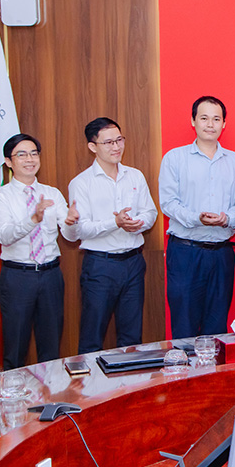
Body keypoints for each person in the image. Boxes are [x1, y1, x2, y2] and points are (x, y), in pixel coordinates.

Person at [159, 96, 235, 339]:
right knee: (184, 324)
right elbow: (168, 203)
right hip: (185, 252)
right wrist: (196, 218)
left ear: (224, 124)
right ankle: (185, 365)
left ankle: (213, 366)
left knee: (217, 325)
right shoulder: (175, 158)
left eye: (216, 119)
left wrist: (226, 218)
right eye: (204, 118)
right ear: (193, 121)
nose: (210, 124)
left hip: (221, 254)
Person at [66, 117, 158, 354]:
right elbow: (81, 229)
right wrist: (115, 223)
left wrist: (137, 224)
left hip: (133, 262)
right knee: (92, 336)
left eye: (119, 140)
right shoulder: (81, 183)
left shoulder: (135, 176)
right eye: (108, 142)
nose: (116, 147)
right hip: (100, 266)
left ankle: (130, 377)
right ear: (92, 146)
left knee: (131, 337)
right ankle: (89, 379)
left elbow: (150, 212)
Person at [0, 134, 77, 369]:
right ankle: (14, 392)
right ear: (8, 162)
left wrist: (72, 223)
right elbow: (4, 236)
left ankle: (49, 391)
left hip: (51, 275)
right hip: (18, 277)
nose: (30, 159)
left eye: (34, 153)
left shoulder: (52, 193)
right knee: (15, 347)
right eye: (22, 154)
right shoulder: (1, 197)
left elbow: (70, 236)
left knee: (50, 347)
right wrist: (33, 219)